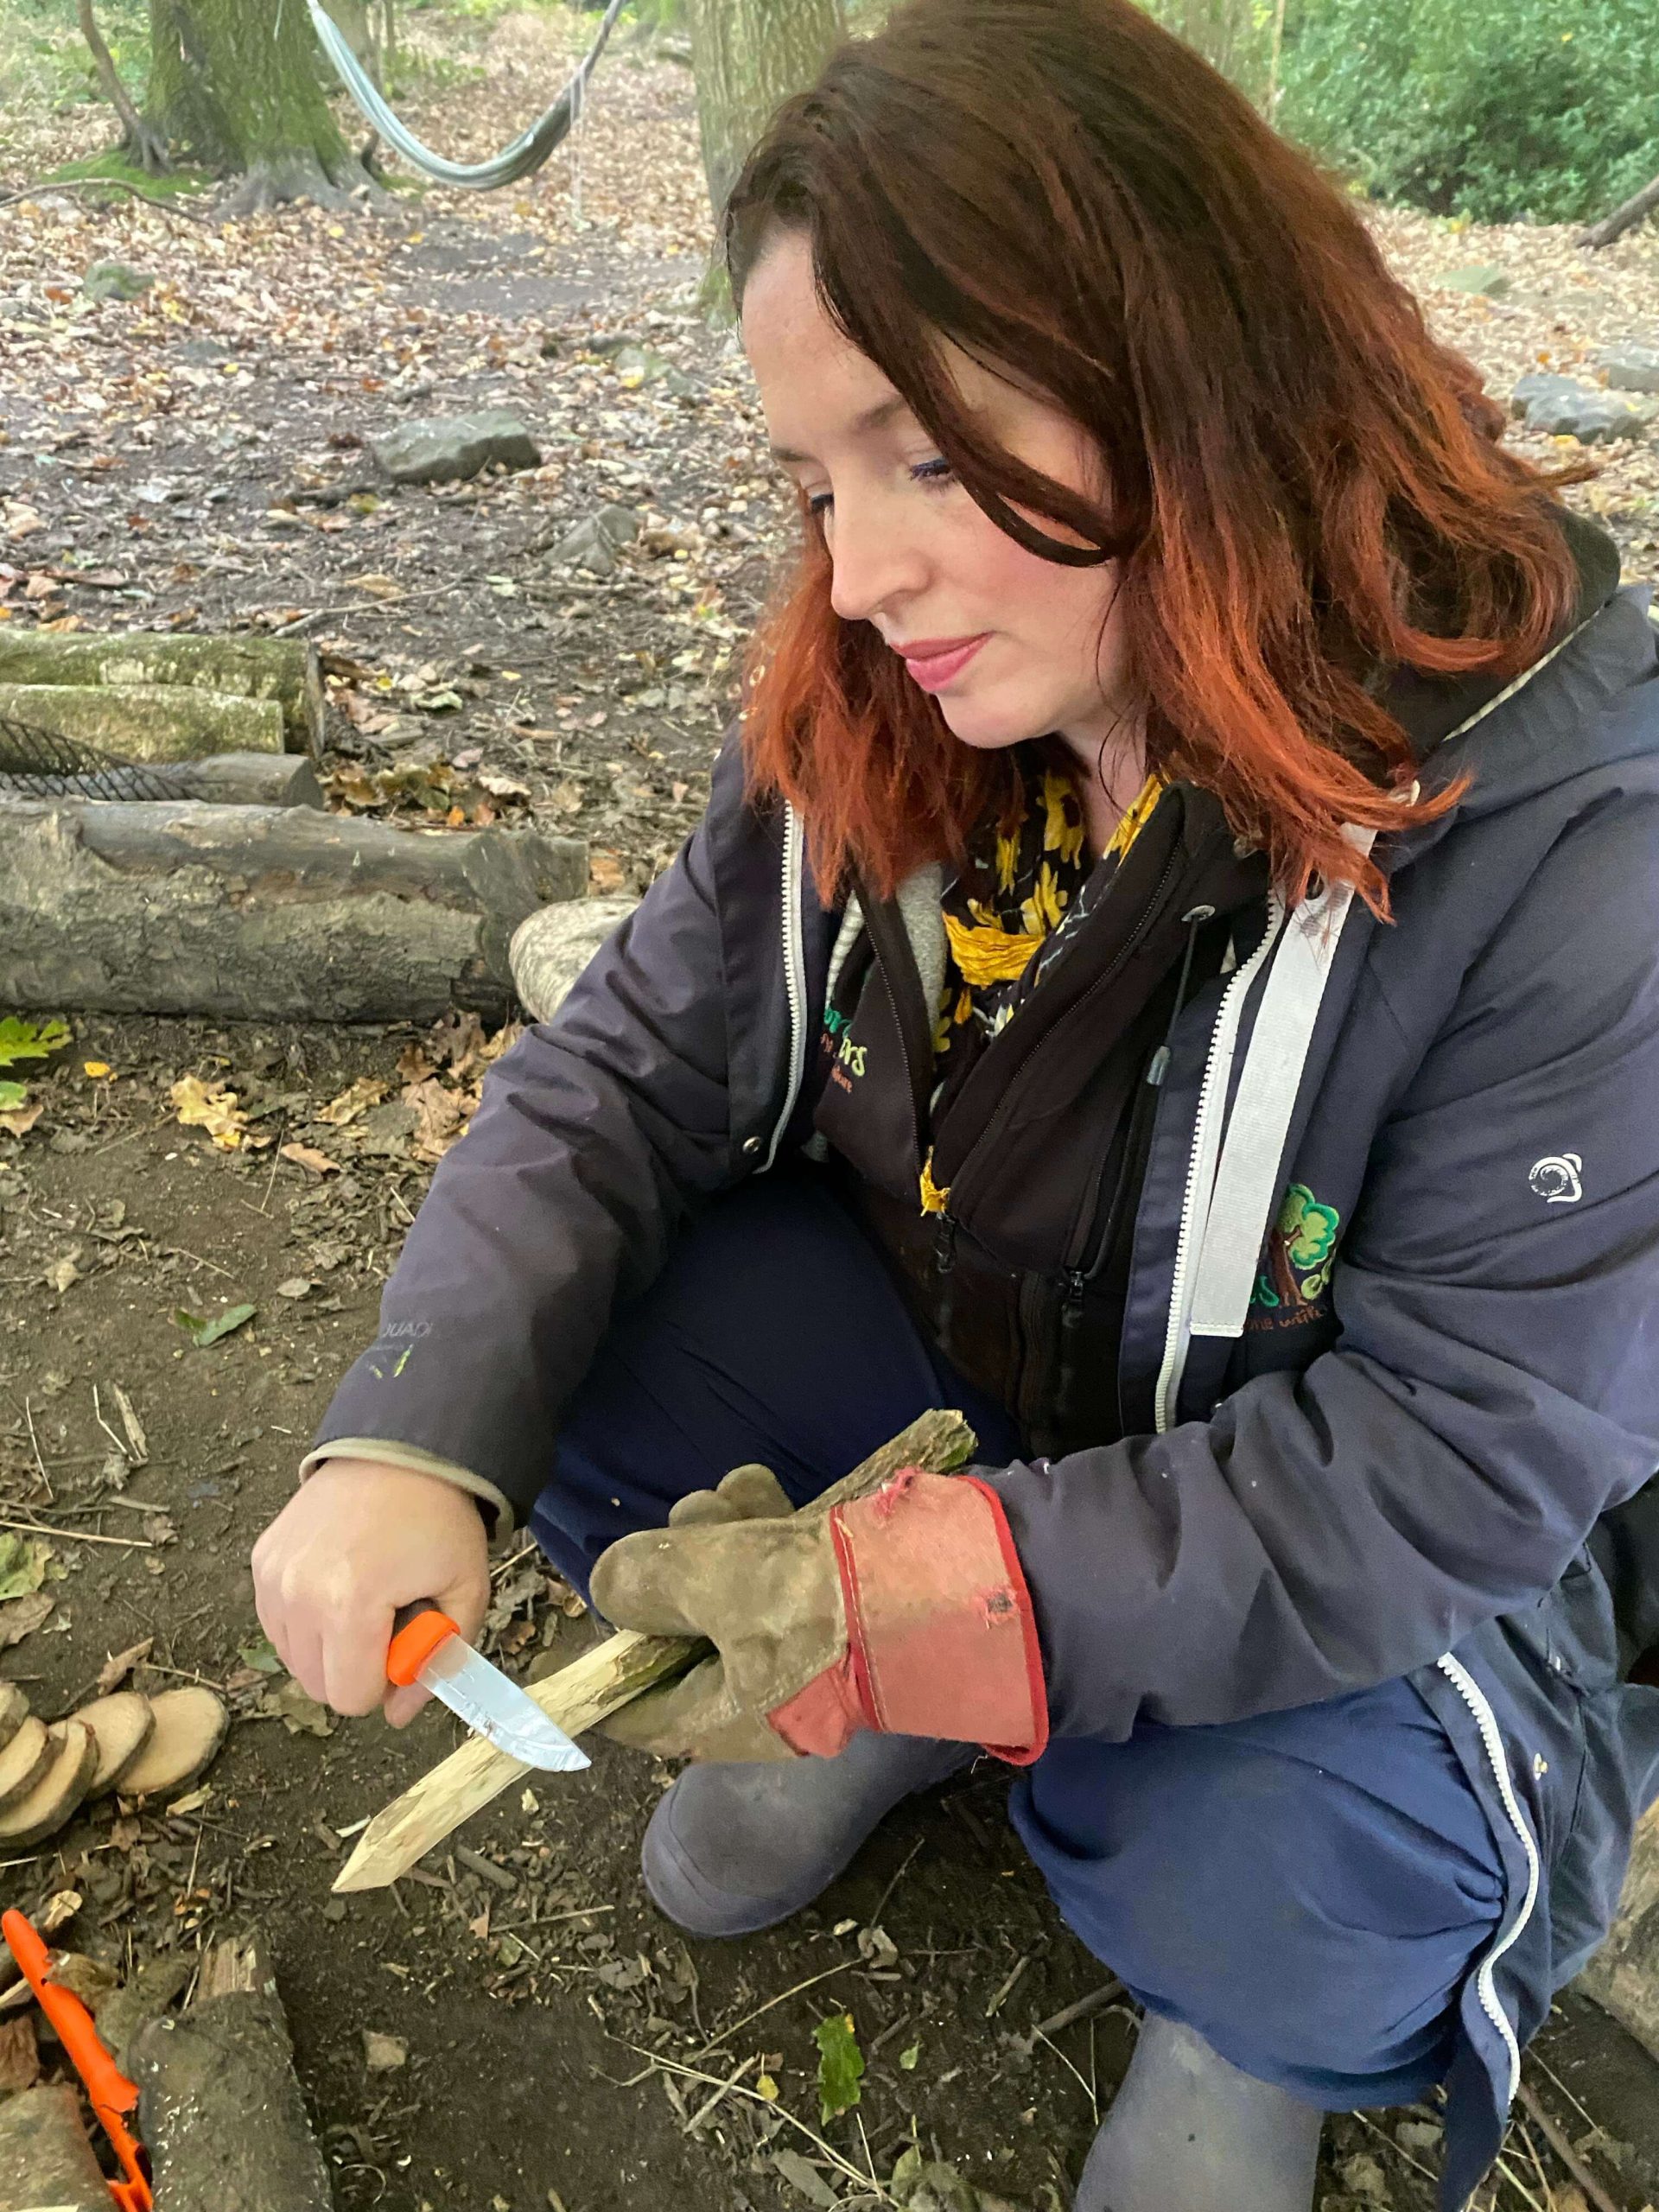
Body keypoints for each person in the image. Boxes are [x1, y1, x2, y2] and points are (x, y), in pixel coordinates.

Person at [250, 3, 1659, 2204]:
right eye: (816, 484)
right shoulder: (902, 694)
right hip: (996, 1381)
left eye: (924, 457)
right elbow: (626, 1067)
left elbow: (1447, 1466)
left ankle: (1240, 2016)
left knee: (1276, 1850)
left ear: (1192, 367)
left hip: (1384, 1591)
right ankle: (904, 1700)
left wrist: (931, 1587)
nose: (859, 573)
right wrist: (403, 1435)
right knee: (586, 1341)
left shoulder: (1576, 839)